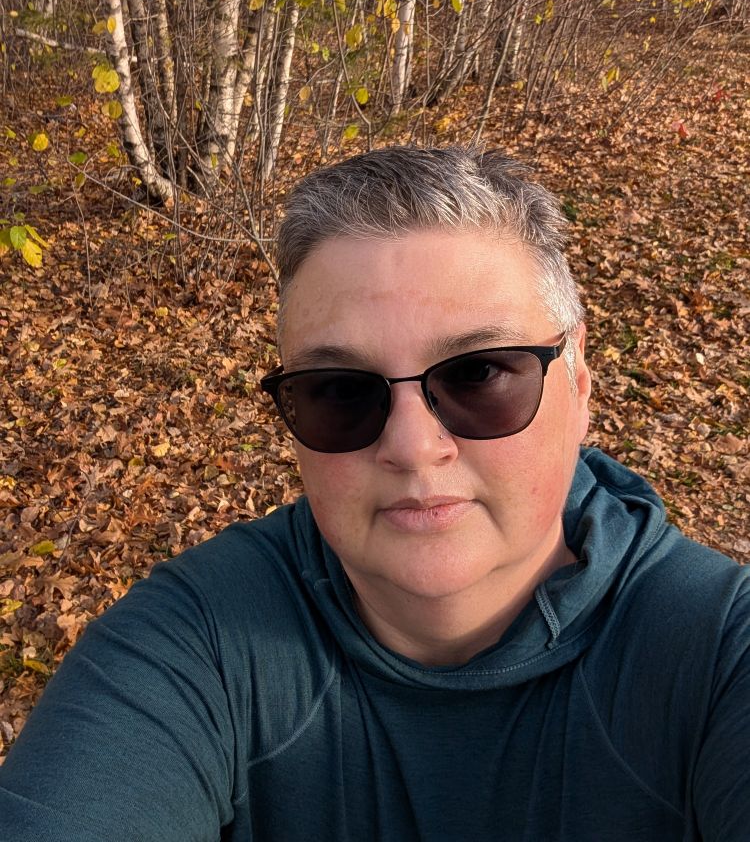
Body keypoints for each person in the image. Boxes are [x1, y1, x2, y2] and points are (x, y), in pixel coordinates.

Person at [1, 146, 748, 841]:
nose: (413, 445)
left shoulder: (718, 654)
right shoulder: (195, 645)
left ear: (579, 385)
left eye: (480, 373)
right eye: (341, 391)